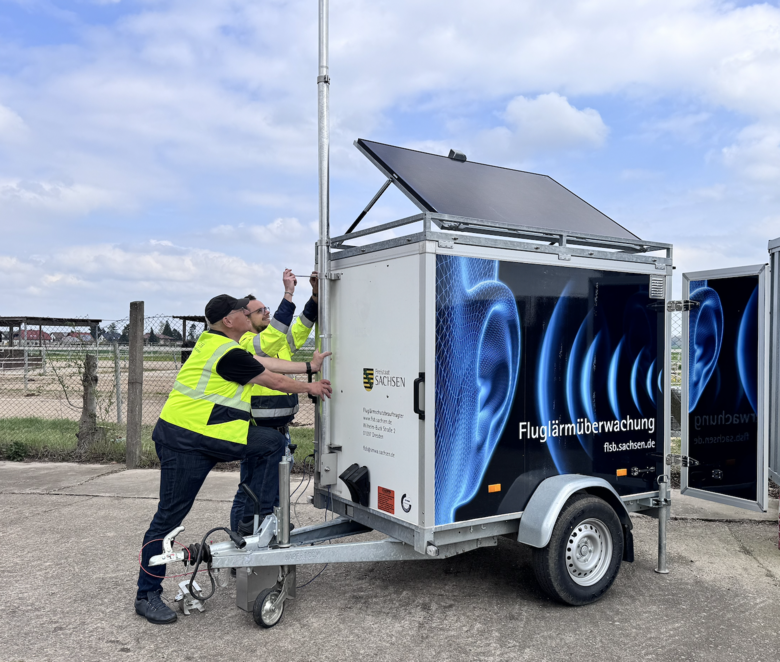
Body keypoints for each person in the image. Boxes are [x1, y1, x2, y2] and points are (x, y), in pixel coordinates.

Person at [135, 294, 332, 625]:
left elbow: (266, 363)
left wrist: (310, 366)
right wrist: (309, 387)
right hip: (185, 442)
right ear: (229, 320)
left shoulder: (223, 345)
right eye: (243, 310)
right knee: (168, 516)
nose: (247, 313)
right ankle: (146, 595)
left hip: (214, 435)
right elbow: (273, 380)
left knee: (271, 442)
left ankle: (257, 519)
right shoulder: (225, 352)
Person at [229, 268, 319, 534]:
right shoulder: (247, 342)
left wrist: (314, 296)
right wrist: (288, 293)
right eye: (261, 311)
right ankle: (242, 539)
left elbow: (301, 327)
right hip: (258, 431)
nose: (267, 312)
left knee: (274, 489)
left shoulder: (276, 342)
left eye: (267, 308)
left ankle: (271, 533)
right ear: (245, 318)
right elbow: (270, 339)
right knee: (250, 491)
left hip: (280, 431)